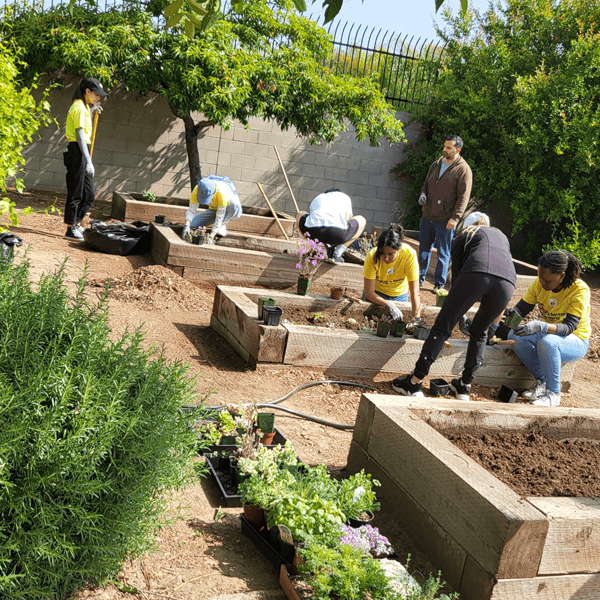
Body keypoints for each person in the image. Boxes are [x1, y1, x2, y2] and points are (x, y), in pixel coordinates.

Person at [392, 212, 516, 400]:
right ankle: (464, 386)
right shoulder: (500, 235)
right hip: (508, 283)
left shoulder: (465, 235)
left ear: (466, 225)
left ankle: (414, 382)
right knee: (480, 332)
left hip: (475, 274)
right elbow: (499, 270)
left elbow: (458, 279)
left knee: (442, 328)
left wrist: (458, 313)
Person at [506, 250, 590, 407]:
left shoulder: (579, 290)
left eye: (547, 280)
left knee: (548, 341)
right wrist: (513, 314)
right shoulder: (540, 283)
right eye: (540, 278)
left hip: (576, 340)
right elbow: (523, 308)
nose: (542, 283)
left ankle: (553, 394)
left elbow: (569, 327)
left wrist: (540, 325)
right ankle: (543, 382)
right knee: (514, 336)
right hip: (549, 334)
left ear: (562, 276)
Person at [418, 135, 472, 291]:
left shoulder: (463, 169)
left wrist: (455, 218)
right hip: (427, 216)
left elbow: (464, 197)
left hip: (446, 219)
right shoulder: (436, 164)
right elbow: (425, 184)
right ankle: (419, 279)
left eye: (449, 147)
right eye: (444, 146)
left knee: (443, 253)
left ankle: (439, 284)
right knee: (424, 250)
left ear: (457, 150)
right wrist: (423, 194)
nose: (444, 149)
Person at [63, 77, 108, 240]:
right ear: (87, 91)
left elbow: (82, 122)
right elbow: (80, 136)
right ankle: (71, 228)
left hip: (83, 150)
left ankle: (77, 222)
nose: (99, 98)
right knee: (76, 192)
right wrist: (88, 160)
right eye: (96, 95)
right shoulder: (78, 107)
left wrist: (93, 110)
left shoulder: (83, 107)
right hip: (78, 150)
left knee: (89, 193)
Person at [363, 225, 421, 322]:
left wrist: (416, 320)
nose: (386, 258)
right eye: (382, 253)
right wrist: (388, 305)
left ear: (399, 249)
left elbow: (415, 292)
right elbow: (369, 293)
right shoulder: (372, 256)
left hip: (399, 295)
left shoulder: (409, 254)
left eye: (390, 254)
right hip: (377, 294)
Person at [296, 188, 366, 264]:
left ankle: (315, 249)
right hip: (337, 232)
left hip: (313, 231)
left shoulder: (318, 197)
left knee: (300, 214)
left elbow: (312, 219)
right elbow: (347, 219)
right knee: (362, 220)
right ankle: (336, 253)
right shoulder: (345, 197)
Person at [182, 175, 242, 243]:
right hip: (214, 209)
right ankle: (218, 227)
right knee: (193, 224)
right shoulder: (197, 189)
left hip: (232, 211)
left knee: (233, 205)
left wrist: (211, 236)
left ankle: (223, 224)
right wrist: (187, 225)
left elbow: (220, 217)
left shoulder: (221, 193)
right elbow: (191, 210)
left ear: (213, 193)